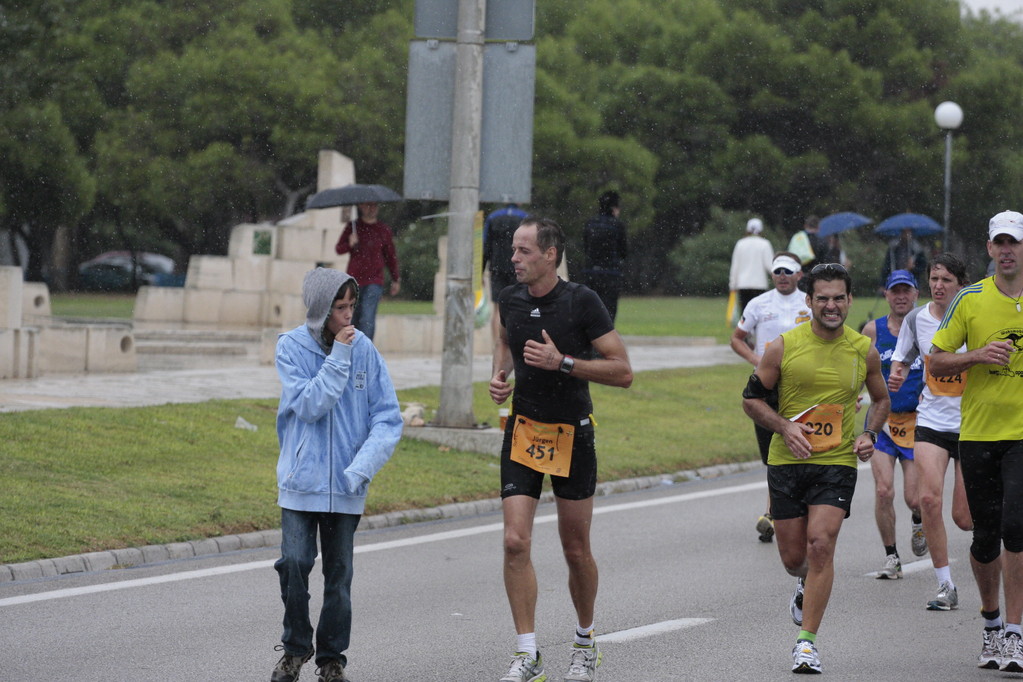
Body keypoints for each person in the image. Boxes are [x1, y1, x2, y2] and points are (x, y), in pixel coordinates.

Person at [490, 216, 633, 682]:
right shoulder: (509, 299)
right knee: (515, 541)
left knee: (575, 549)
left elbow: (623, 371)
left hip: (572, 432)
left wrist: (563, 362)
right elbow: (504, 340)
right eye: (513, 250)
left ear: (550, 254)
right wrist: (501, 377)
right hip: (525, 429)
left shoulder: (581, 301)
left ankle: (585, 641)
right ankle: (528, 653)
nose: (514, 258)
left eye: (524, 251)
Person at [742, 262, 889, 675]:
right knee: (794, 558)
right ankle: (803, 582)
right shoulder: (783, 346)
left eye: (838, 298)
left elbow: (880, 400)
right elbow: (751, 400)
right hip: (788, 462)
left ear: (849, 300)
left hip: (836, 462)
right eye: (822, 298)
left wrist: (870, 436)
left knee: (821, 544)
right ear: (808, 302)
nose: (831, 305)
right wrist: (784, 426)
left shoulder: (863, 350)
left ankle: (806, 644)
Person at [270, 267, 403, 682]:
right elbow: (310, 405)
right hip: (300, 482)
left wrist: (361, 468)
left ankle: (331, 660)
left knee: (339, 576)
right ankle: (295, 648)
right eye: (339, 309)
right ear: (318, 311)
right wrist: (339, 357)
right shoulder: (290, 348)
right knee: (294, 563)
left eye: (352, 307)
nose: (349, 317)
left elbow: (388, 419)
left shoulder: (365, 349)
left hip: (348, 484)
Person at [931, 210, 1023, 672]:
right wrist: (976, 356)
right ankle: (990, 624)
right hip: (980, 433)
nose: (1007, 250)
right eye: (1000, 243)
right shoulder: (969, 300)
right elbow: (936, 363)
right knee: (984, 536)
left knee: (1017, 527)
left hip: (1022, 436)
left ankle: (1015, 632)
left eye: (1015, 243)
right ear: (989, 249)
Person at [888, 253, 973, 610]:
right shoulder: (915, 319)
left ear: (961, 285)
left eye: (946, 280)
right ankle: (945, 586)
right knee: (927, 500)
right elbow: (902, 356)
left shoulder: (975, 316)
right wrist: (897, 372)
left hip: (973, 424)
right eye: (934, 279)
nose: (938, 286)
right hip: (932, 422)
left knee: (965, 518)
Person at [729, 252, 811, 542]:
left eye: (788, 271)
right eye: (777, 271)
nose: (782, 275)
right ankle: (777, 510)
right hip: (766, 388)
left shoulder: (810, 302)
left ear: (800, 274)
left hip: (804, 386)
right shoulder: (758, 303)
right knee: (773, 454)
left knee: (799, 449)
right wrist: (756, 360)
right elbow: (737, 338)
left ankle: (776, 512)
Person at [861, 270, 927, 579]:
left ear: (916, 293)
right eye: (894, 291)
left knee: (914, 498)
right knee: (884, 490)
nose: (901, 296)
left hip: (916, 424)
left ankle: (918, 519)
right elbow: (854, 366)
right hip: (882, 422)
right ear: (886, 295)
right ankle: (892, 557)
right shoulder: (872, 331)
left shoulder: (927, 326)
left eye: (906, 291)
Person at [334, 201, 401, 341]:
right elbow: (339, 249)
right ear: (360, 207)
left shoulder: (383, 230)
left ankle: (365, 351)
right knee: (352, 317)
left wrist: (395, 278)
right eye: (368, 205)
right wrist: (350, 243)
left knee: (368, 318)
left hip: (375, 280)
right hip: (354, 280)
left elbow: (390, 256)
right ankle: (349, 348)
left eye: (375, 205)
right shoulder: (353, 227)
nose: (372, 209)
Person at [483, 203, 529, 341]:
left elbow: (486, 246)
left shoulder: (493, 217)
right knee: (519, 306)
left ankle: (497, 346)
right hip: (519, 267)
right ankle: (514, 344)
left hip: (497, 268)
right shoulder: (525, 218)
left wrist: (480, 272)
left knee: (498, 308)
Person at [582, 190, 628, 322]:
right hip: (611, 273)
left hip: (591, 271)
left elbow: (586, 246)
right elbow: (623, 251)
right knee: (609, 309)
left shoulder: (590, 223)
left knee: (590, 307)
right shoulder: (617, 225)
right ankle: (606, 336)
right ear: (614, 208)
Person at [729, 218, 775, 313]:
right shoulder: (765, 244)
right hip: (759, 285)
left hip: (743, 285)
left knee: (745, 314)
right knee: (759, 313)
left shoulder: (740, 244)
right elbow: (770, 266)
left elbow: (735, 266)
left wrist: (732, 285)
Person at [880, 227, 926, 292]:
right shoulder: (893, 248)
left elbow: (923, 266)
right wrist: (883, 283)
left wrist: (913, 268)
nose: (906, 235)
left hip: (911, 279)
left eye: (908, 232)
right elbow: (886, 266)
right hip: (895, 278)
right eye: (904, 232)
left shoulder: (917, 249)